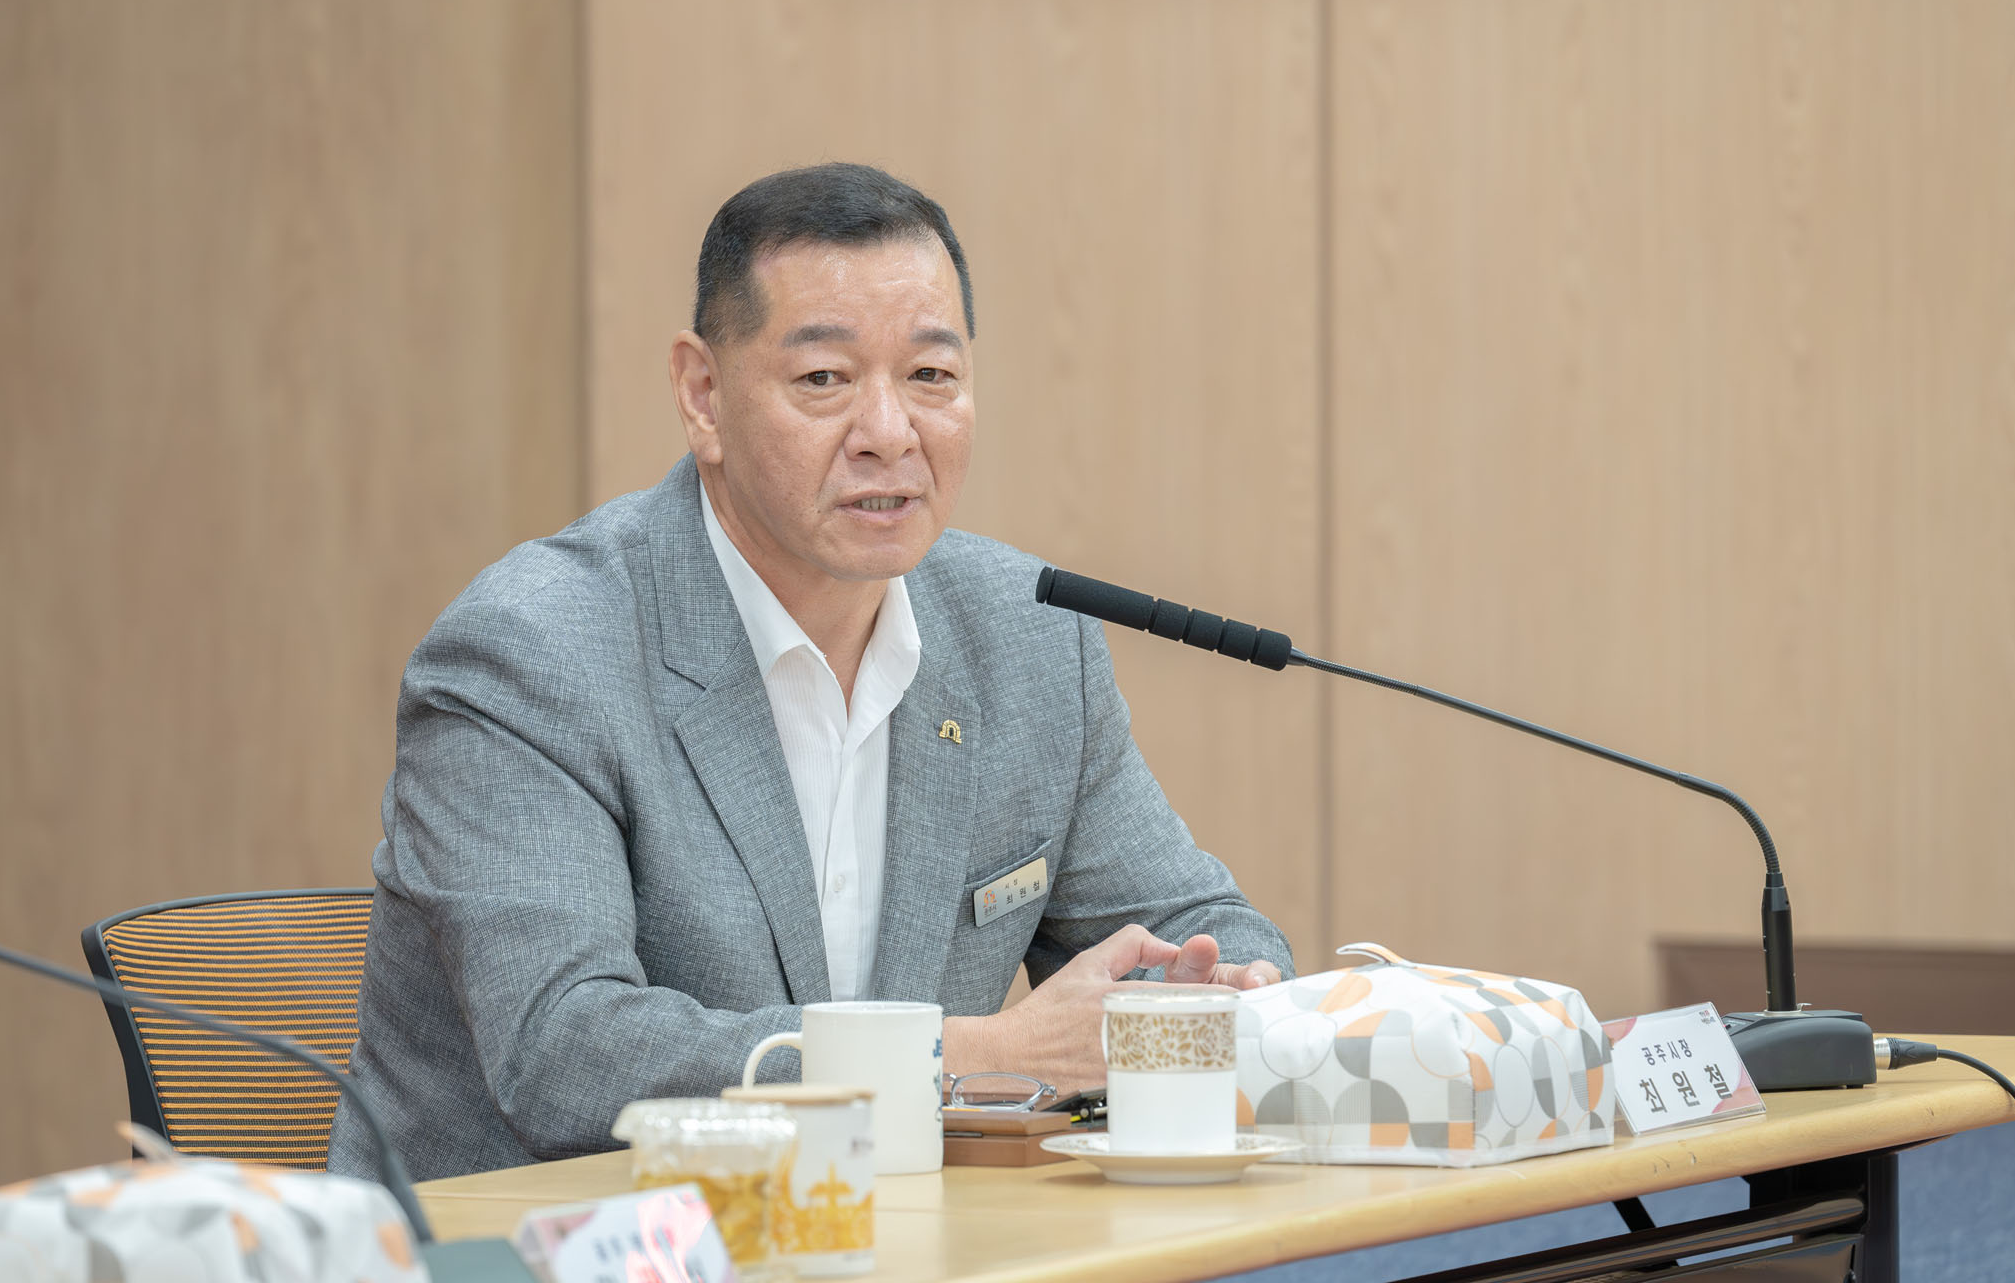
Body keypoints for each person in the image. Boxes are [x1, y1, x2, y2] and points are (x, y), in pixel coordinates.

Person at [328, 163, 1293, 1181]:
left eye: (931, 377)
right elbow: (568, 1053)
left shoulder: (1027, 640)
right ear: (703, 396)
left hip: (897, 1236)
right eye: (825, 380)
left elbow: (1199, 925)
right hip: (550, 1241)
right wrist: (971, 1055)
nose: (889, 433)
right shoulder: (534, 652)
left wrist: (1221, 989)